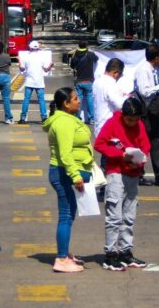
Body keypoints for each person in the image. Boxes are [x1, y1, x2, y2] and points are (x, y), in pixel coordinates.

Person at [94, 97, 151, 271]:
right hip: (116, 172)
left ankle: (126, 250)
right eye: (129, 120)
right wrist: (120, 156)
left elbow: (145, 145)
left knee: (129, 214)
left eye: (136, 120)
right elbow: (99, 144)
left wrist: (140, 162)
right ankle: (110, 253)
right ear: (123, 116)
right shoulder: (112, 123)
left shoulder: (139, 125)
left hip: (132, 173)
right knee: (114, 215)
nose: (133, 123)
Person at [43, 87, 94, 273]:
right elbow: (65, 154)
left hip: (66, 172)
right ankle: (61, 259)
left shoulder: (67, 119)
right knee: (65, 215)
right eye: (74, 98)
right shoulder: (63, 122)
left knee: (69, 213)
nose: (78, 100)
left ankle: (64, 253)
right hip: (63, 172)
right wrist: (75, 174)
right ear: (65, 104)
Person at [133, 44, 159, 187]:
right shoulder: (144, 70)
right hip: (145, 112)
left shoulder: (153, 70)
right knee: (142, 143)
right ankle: (138, 174)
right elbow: (145, 92)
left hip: (153, 111)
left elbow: (153, 90)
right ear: (156, 58)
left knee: (156, 142)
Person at [92, 58, 128, 138]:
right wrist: (126, 97)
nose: (120, 77)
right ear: (115, 73)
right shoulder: (110, 84)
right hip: (109, 127)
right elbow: (120, 104)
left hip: (99, 125)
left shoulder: (97, 81)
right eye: (120, 74)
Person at [19, 40, 52, 124]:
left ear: (30, 47)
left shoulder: (26, 57)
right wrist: (50, 66)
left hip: (29, 82)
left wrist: (19, 62)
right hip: (39, 82)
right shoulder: (41, 57)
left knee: (26, 100)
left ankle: (23, 118)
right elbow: (46, 70)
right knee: (41, 100)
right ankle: (44, 117)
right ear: (38, 47)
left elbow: (22, 69)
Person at [69, 41, 97, 125]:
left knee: (78, 99)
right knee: (90, 99)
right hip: (89, 80)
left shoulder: (75, 55)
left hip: (78, 80)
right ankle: (91, 118)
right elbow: (97, 59)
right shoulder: (90, 54)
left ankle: (77, 117)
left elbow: (72, 65)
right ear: (86, 46)